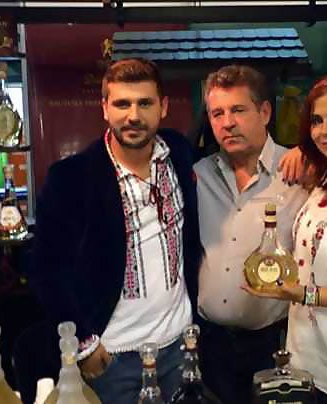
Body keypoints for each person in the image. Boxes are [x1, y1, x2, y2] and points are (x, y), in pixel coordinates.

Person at [195, 65, 327, 404]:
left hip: (299, 348)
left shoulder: (305, 174)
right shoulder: (197, 175)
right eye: (217, 113)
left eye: (238, 110)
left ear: (265, 112)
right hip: (240, 348)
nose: (228, 122)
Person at [27, 58, 201, 404]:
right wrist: (84, 343)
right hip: (113, 357)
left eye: (145, 103)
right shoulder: (71, 177)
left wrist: (300, 156)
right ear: (105, 108)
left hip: (181, 346)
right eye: (122, 104)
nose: (133, 115)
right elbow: (46, 269)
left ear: (163, 107)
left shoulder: (178, 153)